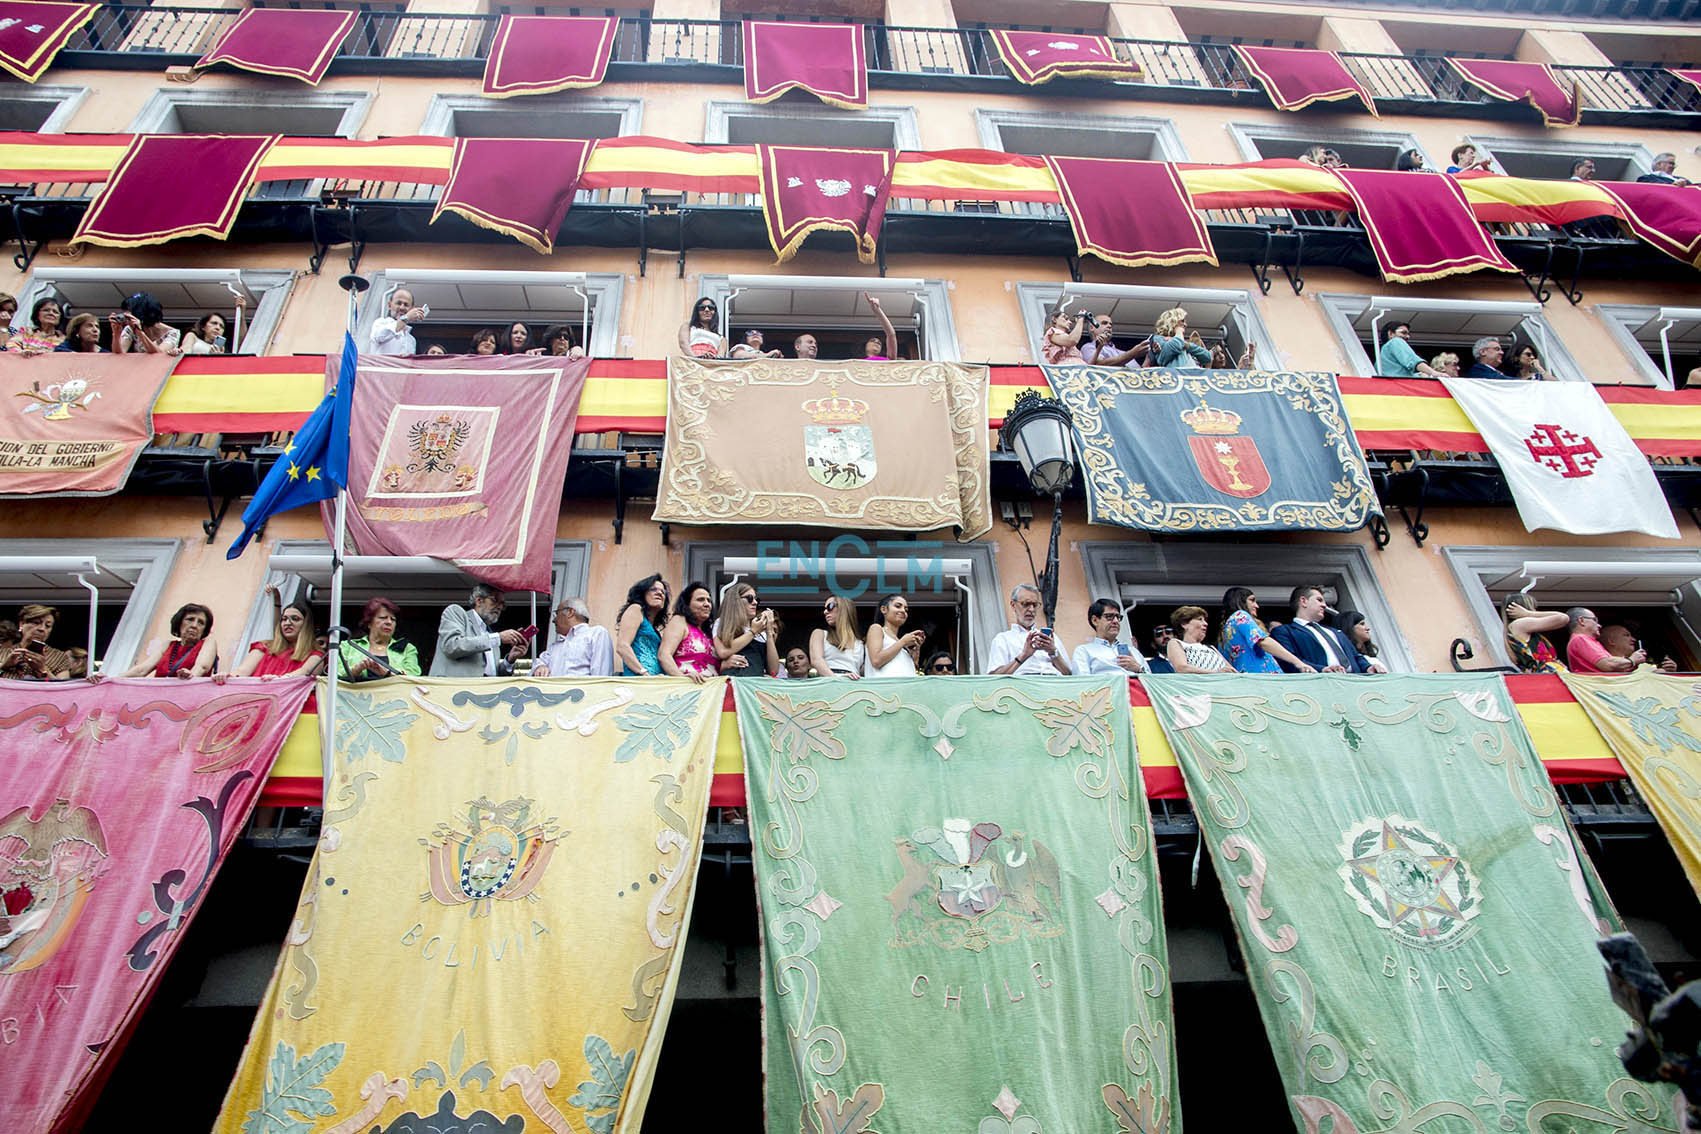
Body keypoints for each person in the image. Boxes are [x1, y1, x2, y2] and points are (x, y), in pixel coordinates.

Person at [428, 584, 528, 677]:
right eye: (495, 600)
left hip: (483, 693)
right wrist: (498, 638)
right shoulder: (456, 613)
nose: (500, 607)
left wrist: (510, 659)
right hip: (451, 691)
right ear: (479, 600)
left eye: (502, 604)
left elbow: (492, 674)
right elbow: (452, 646)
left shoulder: (491, 636)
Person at [1270, 585, 1368, 674]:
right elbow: (1288, 660)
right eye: (1319, 600)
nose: (1324, 605)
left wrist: (1368, 667)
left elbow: (1356, 657)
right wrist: (1322, 669)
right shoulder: (1284, 632)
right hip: (1319, 684)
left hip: (1353, 683)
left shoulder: (1335, 632)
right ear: (1304, 601)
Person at [231, 586, 324, 679]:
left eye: (295, 619)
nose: (288, 623)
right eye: (284, 619)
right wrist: (226, 677)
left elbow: (303, 673)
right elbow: (242, 671)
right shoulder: (265, 646)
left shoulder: (315, 655)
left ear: (306, 625)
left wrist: (277, 680)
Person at [1219, 587, 1315, 674]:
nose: (1257, 606)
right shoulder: (1240, 616)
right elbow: (1263, 642)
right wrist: (1298, 663)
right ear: (1240, 601)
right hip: (1263, 682)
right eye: (1252, 600)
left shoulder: (1224, 632)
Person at [986, 584, 1071, 675]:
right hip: (1022, 685)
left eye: (1035, 605)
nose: (1031, 609)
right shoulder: (1003, 639)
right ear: (1013, 605)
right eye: (1026, 604)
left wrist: (1053, 652)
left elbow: (1069, 674)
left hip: (1053, 683)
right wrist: (1024, 655)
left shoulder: (1049, 638)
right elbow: (994, 677)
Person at [118, 603, 218, 679]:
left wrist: (190, 676)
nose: (194, 625)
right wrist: (112, 680)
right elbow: (141, 670)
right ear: (179, 623)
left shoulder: (208, 643)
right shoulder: (167, 645)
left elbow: (202, 667)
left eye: (201, 623)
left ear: (204, 629)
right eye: (190, 619)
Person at [341, 596, 420, 681]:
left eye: (393, 619)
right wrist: (355, 670)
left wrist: (387, 673)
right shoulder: (348, 646)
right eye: (383, 618)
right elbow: (334, 674)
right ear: (369, 623)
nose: (389, 622)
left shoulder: (407, 649)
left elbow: (414, 678)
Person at [533, 598, 614, 677]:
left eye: (557, 614)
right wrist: (540, 667)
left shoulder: (596, 634)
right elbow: (539, 662)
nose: (554, 620)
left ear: (570, 612)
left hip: (582, 690)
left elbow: (601, 676)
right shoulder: (554, 647)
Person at [714, 582, 780, 678]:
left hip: (754, 687)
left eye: (756, 599)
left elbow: (774, 670)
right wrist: (752, 632)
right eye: (749, 598)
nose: (755, 602)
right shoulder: (721, 623)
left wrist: (769, 632)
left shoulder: (760, 632)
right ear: (735, 601)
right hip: (733, 684)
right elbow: (723, 652)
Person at [659, 582, 719, 683]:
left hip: (711, 691)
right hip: (687, 689)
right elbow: (664, 655)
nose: (707, 604)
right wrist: (682, 678)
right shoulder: (680, 621)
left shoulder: (709, 631)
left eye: (709, 600)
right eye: (700, 600)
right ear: (687, 604)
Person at [1071, 598, 1146, 676]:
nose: (1116, 621)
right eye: (1110, 616)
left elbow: (1152, 682)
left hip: (1135, 687)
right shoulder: (1084, 651)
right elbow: (1083, 682)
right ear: (1095, 620)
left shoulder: (1133, 651)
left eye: (1118, 616)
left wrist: (1138, 668)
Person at [615, 574, 669, 676]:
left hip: (653, 684)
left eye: (663, 592)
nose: (659, 593)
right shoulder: (635, 609)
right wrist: (644, 673)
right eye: (653, 589)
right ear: (642, 593)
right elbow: (622, 646)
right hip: (638, 682)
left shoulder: (655, 630)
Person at [1, 604, 71, 680]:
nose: (42, 629)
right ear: (21, 624)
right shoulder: (3, 653)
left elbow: (63, 689)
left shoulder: (59, 657)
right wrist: (4, 666)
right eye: (36, 623)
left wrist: (42, 669)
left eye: (48, 626)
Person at [1565, 607, 1643, 674]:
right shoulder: (1580, 639)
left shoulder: (1586, 640)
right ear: (1581, 620)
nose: (1599, 625)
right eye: (1595, 620)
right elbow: (1608, 664)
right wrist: (1632, 660)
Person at [865, 593, 925, 677]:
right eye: (898, 606)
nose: (903, 611)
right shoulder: (877, 629)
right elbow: (876, 660)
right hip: (884, 687)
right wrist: (903, 641)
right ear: (884, 609)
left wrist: (915, 653)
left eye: (906, 609)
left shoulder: (900, 643)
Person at [1503, 597, 1567, 673]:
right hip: (1547, 675)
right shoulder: (1519, 624)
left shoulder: (1515, 627)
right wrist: (1528, 613)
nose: (1536, 611)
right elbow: (1563, 618)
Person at [808, 593, 866, 678]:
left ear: (843, 608)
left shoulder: (860, 643)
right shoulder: (820, 634)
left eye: (830, 607)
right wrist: (836, 679)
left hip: (853, 684)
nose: (825, 612)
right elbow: (817, 660)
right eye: (825, 609)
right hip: (829, 682)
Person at [1165, 605, 1231, 674]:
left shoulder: (1211, 648)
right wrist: (1216, 673)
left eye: (1205, 620)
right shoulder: (1176, 643)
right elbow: (1182, 668)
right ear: (1184, 624)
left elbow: (1230, 669)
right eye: (1200, 619)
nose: (1205, 624)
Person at [115, 293, 181, 355]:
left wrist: (140, 332)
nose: (126, 315)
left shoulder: (172, 333)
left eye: (129, 311)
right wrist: (116, 333)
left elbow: (158, 355)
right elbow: (119, 354)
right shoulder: (130, 329)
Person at [181, 294, 246, 355]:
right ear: (203, 326)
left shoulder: (222, 350)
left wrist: (242, 314)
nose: (218, 328)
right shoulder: (192, 336)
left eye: (222, 326)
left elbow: (242, 343)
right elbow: (185, 350)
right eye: (214, 323)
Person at [1080, 313, 1148, 368]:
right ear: (1092, 328)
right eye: (1104, 323)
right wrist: (1132, 353)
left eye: (1110, 324)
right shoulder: (1088, 347)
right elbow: (1099, 365)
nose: (1109, 326)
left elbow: (1139, 372)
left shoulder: (1122, 352)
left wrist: (1149, 356)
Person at [1602, 624, 1678, 672]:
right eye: (1626, 635)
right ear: (1611, 641)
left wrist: (1668, 670)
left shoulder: (1637, 666)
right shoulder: (1602, 664)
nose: (1633, 639)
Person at [1377, 322, 1442, 378]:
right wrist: (1433, 372)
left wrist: (1420, 375)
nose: (1408, 337)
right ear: (1391, 334)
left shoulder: (1383, 353)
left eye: (1408, 334)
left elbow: (1399, 373)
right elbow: (1413, 361)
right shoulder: (1395, 341)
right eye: (1403, 333)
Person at [370, 288, 422, 356]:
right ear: (389, 305)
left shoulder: (411, 340)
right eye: (398, 303)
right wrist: (406, 318)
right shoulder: (380, 323)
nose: (402, 307)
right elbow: (379, 337)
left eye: (406, 305)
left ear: (411, 309)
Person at [1334, 610, 1389, 674]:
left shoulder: (1369, 658)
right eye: (1362, 624)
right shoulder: (1350, 662)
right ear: (1349, 627)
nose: (1368, 628)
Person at [862, 293, 898, 360]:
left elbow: (891, 335)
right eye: (872, 340)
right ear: (865, 345)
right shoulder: (856, 363)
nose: (876, 343)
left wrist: (877, 310)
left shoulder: (886, 361)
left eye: (879, 343)